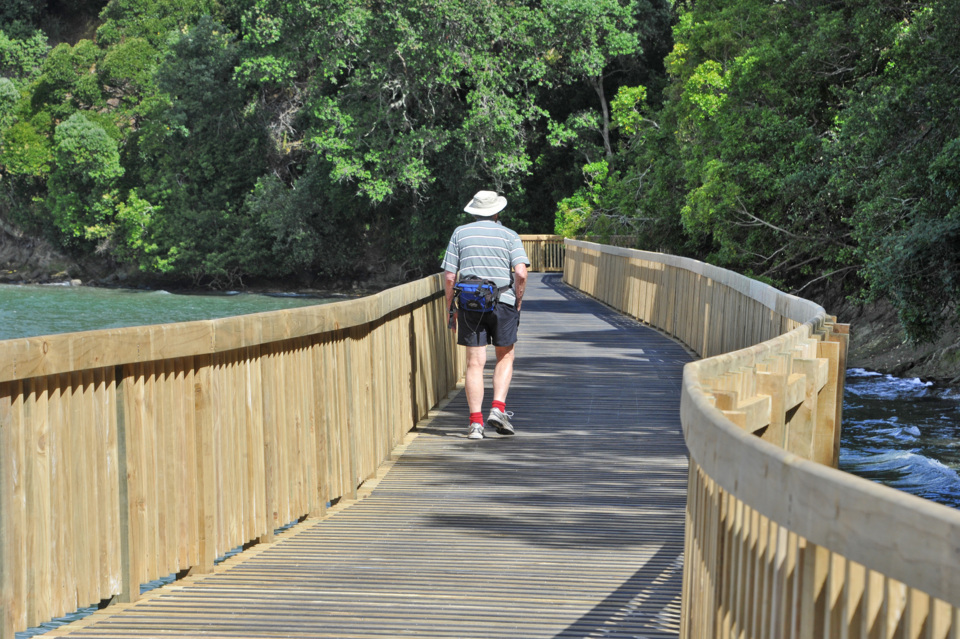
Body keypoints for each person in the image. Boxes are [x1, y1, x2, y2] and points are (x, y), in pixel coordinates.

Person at [442, 190, 530, 440]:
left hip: (471, 305)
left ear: (474, 211)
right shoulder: (509, 235)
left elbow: (450, 276)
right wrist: (518, 299)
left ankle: (475, 425)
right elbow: (521, 273)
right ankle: (498, 409)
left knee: (475, 363)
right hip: (503, 302)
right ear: (497, 211)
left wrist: (451, 307)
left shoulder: (460, 233)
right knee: (505, 356)